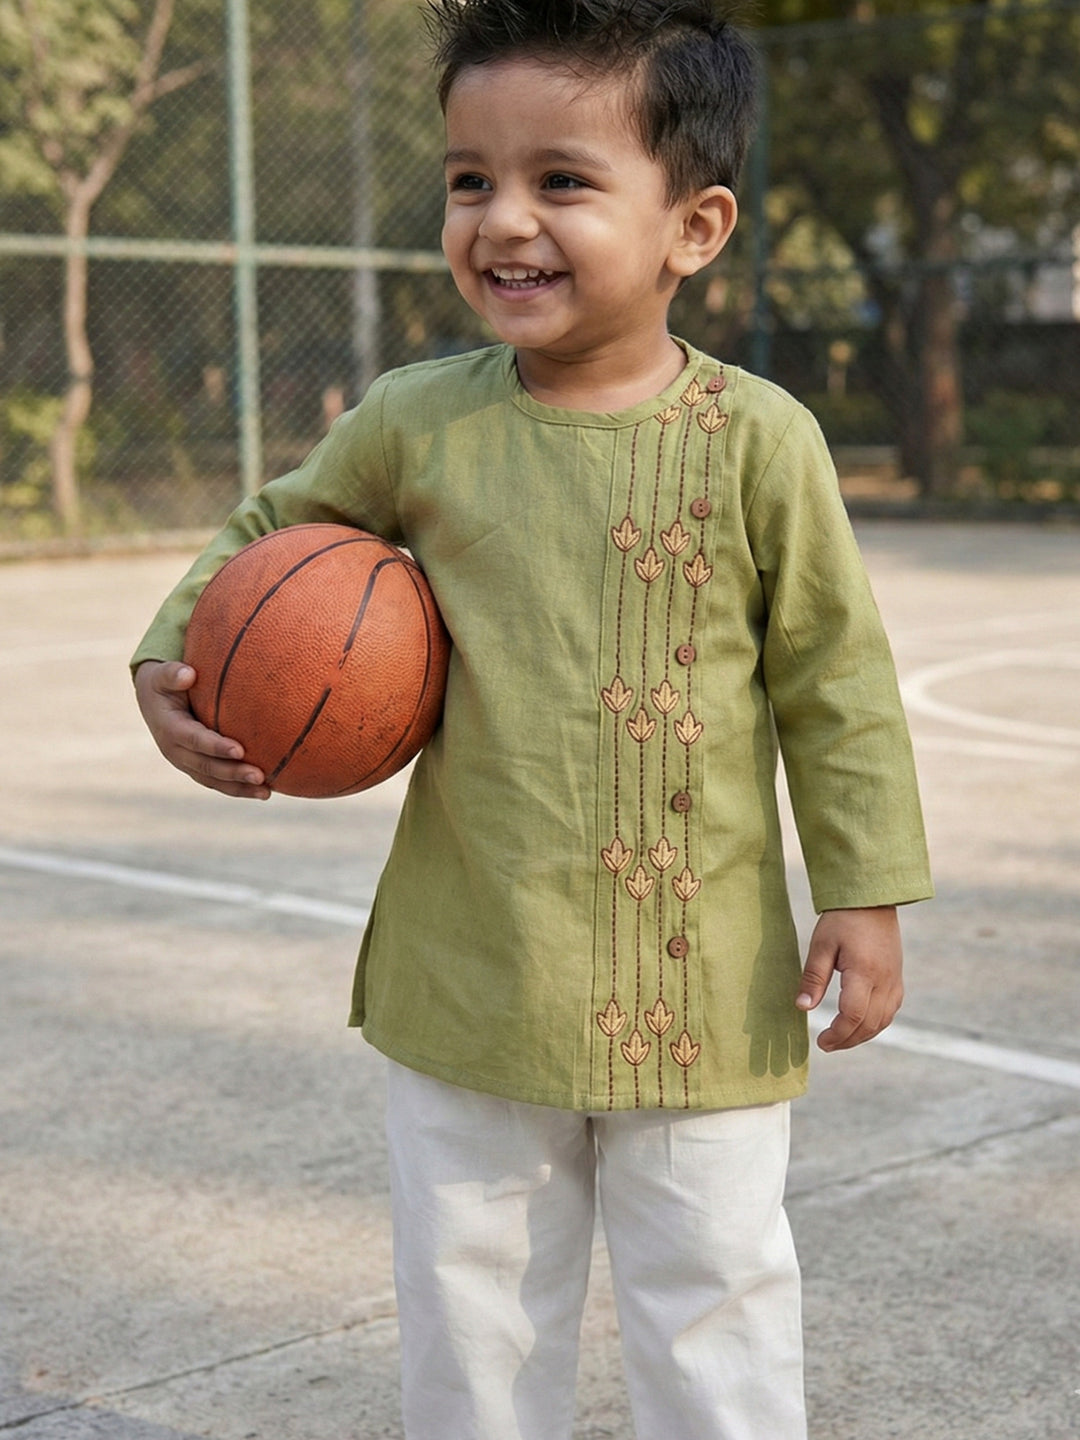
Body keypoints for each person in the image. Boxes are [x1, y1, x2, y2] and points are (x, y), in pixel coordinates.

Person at [132, 3, 933, 1436]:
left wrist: (865, 892)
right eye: (470, 179)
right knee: (471, 1307)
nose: (503, 220)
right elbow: (269, 533)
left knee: (716, 1299)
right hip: (474, 973)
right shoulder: (417, 420)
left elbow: (838, 684)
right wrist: (170, 661)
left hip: (700, 983)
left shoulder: (761, 441)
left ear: (694, 227)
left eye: (562, 180)